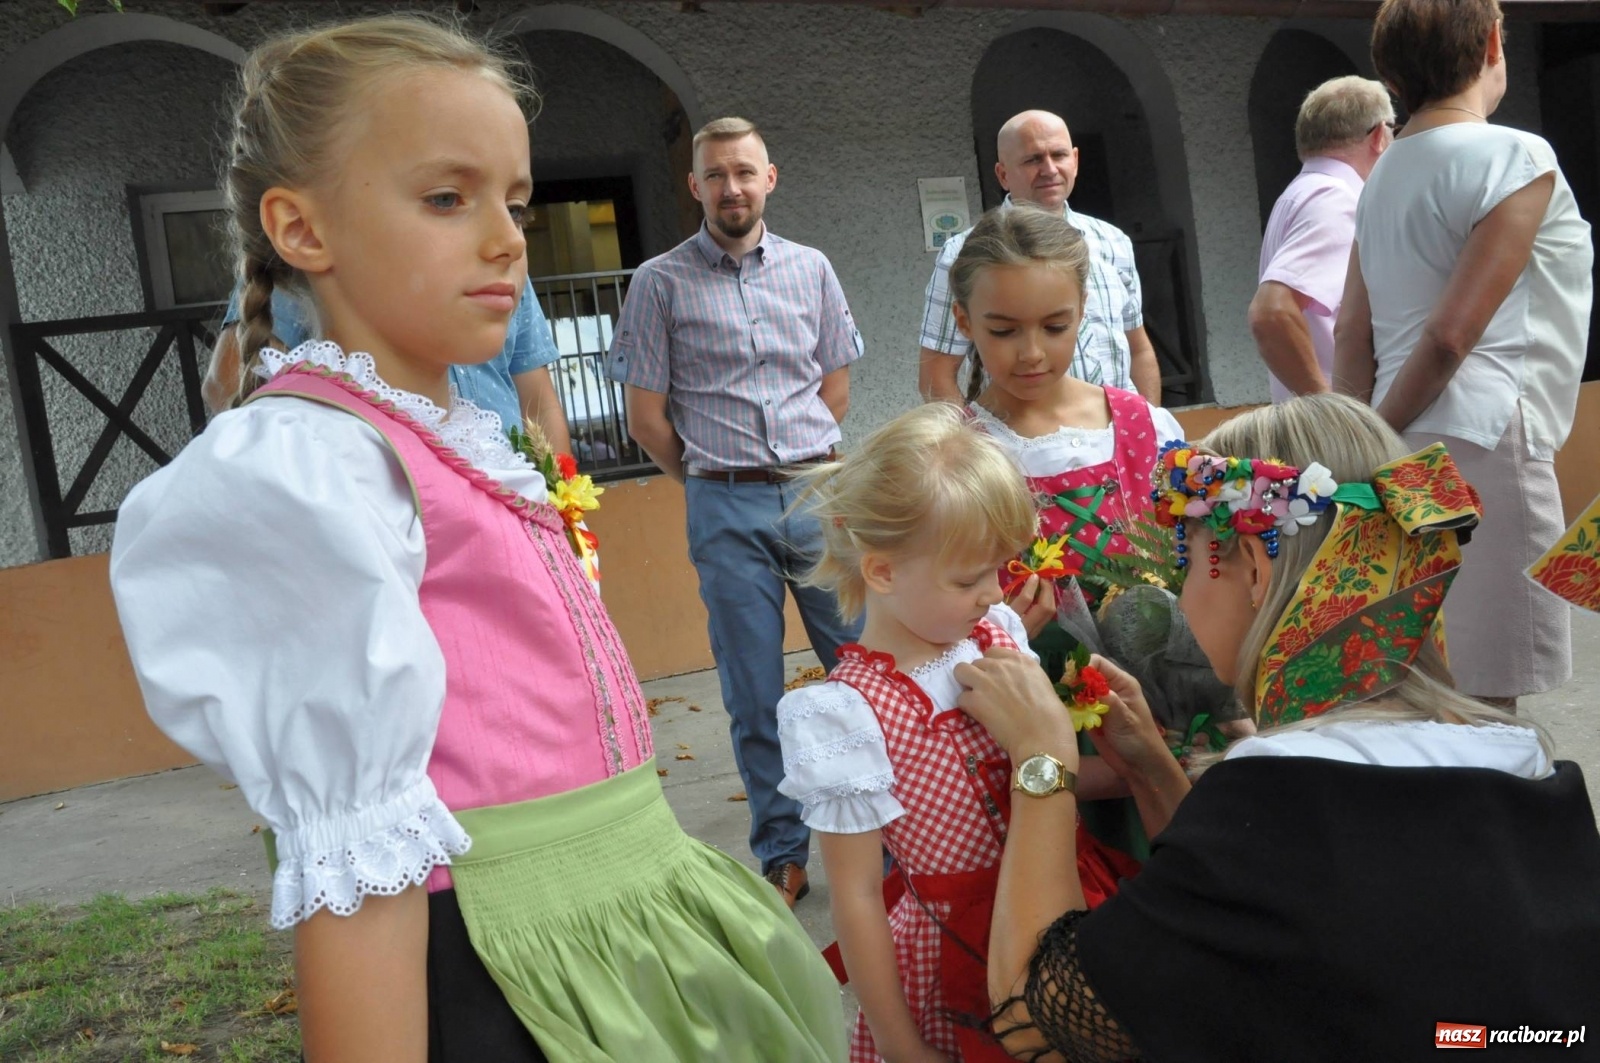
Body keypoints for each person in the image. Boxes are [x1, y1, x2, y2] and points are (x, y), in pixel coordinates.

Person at [109, 18, 846, 1063]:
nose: (507, 237)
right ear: (301, 229)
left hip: (618, 915)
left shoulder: (463, 442)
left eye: (512, 200)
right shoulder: (314, 471)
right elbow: (360, 867)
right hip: (503, 966)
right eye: (447, 198)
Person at [954, 394, 1600, 1062]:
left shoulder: (1277, 796)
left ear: (1255, 571)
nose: (1181, 595)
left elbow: (1040, 1018)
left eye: (1190, 556)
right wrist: (1151, 767)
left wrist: (1043, 759)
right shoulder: (1529, 777)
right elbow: (1262, 923)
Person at [776, 404, 1139, 1063]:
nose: (992, 591)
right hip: (954, 946)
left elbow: (1037, 771)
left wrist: (1127, 770)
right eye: (969, 577)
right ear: (882, 571)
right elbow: (857, 895)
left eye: (998, 568)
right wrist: (899, 1042)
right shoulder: (845, 714)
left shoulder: (996, 632)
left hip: (1066, 889)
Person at [608, 116, 864, 908]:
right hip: (722, 500)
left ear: (770, 178)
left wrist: (799, 468)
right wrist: (710, 480)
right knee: (754, 692)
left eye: (744, 172)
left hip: (817, 490)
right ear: (695, 186)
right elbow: (647, 415)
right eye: (716, 175)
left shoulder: (812, 268)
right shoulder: (658, 281)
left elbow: (835, 385)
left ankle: (886, 832)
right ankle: (782, 852)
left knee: (861, 671)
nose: (732, 188)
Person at [948, 205, 1246, 859]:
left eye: (1055, 326)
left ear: (1084, 309)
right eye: (1003, 330)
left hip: (1180, 716)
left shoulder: (1145, 425)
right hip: (1049, 725)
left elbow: (1208, 561)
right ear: (964, 321)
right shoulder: (958, 458)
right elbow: (930, 612)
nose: (1031, 352)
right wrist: (998, 631)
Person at [1334, 0, 1592, 707]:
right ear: (1489, 45)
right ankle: (1504, 819)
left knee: (1434, 672)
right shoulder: (1515, 154)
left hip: (1404, 441)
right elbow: (1452, 335)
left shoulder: (1380, 175)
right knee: (1490, 685)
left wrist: (1366, 442)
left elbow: (1351, 333)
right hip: (1483, 438)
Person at [919, 110, 1160, 405]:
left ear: (1075, 161)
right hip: (1018, 442)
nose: (1049, 169)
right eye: (1033, 159)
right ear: (1003, 174)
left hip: (1119, 438)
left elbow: (1139, 349)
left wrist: (1149, 430)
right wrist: (980, 446)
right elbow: (936, 373)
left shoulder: (1113, 241)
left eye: (1058, 155)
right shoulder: (964, 252)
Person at [203, 279, 573, 454]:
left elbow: (538, 400)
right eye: (444, 199)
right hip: (394, 518)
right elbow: (228, 383)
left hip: (514, 508)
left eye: (516, 209)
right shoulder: (309, 271)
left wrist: (562, 507)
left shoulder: (507, 271)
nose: (511, 236)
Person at [1250, 76, 1394, 401]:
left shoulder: (1305, 192)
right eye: (1393, 131)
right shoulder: (1336, 199)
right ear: (1378, 136)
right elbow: (1272, 313)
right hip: (1339, 433)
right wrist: (1331, 411)